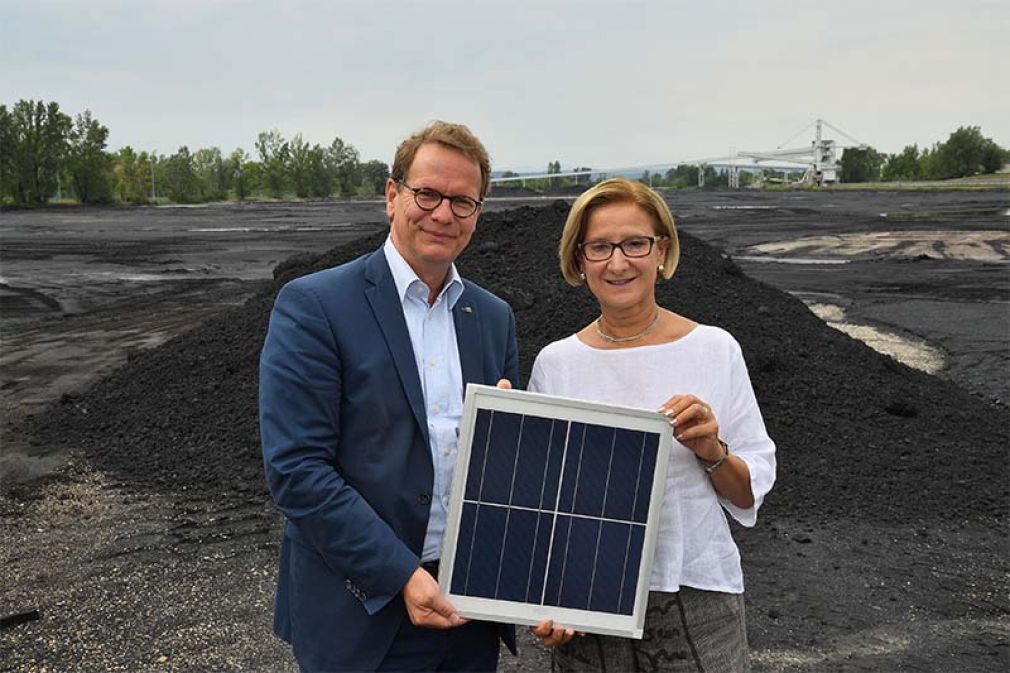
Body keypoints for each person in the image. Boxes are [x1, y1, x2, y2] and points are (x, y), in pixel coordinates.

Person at [259, 121, 520, 672]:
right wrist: (400, 574)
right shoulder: (315, 306)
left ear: (478, 213)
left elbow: (507, 476)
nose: (443, 213)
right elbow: (298, 470)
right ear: (392, 194)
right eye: (428, 193)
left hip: (468, 611)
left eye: (463, 201)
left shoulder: (493, 319)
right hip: (362, 614)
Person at [527, 178, 776, 672]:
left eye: (634, 243)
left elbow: (747, 495)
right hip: (588, 600)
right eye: (599, 247)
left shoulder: (714, 349)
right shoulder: (556, 365)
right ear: (579, 260)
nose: (618, 263)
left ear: (661, 250)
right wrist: (542, 598)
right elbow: (538, 506)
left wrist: (712, 449)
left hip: (696, 596)